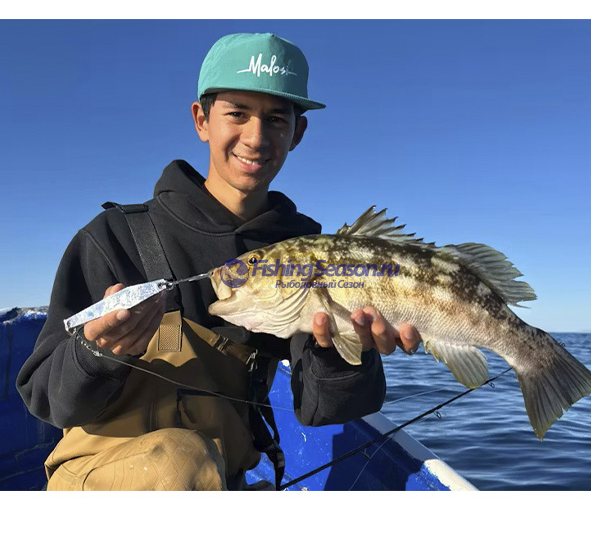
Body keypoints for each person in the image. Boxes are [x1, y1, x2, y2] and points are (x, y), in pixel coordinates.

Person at [16, 32, 422, 491]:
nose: (256, 137)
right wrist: (97, 352)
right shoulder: (113, 237)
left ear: (298, 133)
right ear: (201, 119)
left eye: (276, 119)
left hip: (219, 479)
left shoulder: (305, 253)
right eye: (237, 113)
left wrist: (347, 351)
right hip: (102, 481)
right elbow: (45, 398)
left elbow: (321, 410)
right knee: (177, 464)